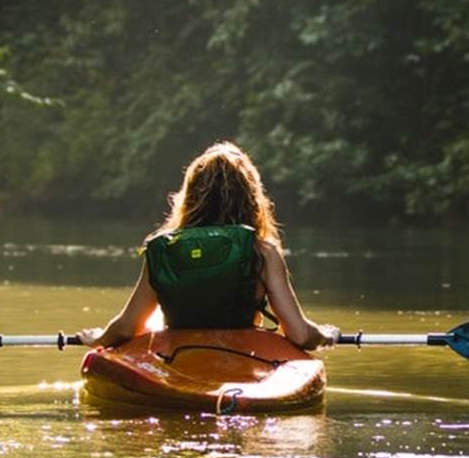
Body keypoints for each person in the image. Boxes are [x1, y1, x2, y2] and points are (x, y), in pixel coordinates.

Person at [77, 142, 335, 350]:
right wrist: (324, 334)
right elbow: (300, 336)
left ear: (190, 196)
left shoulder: (166, 250)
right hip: (243, 359)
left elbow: (127, 327)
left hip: (177, 360)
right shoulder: (263, 253)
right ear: (251, 198)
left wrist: (99, 339)